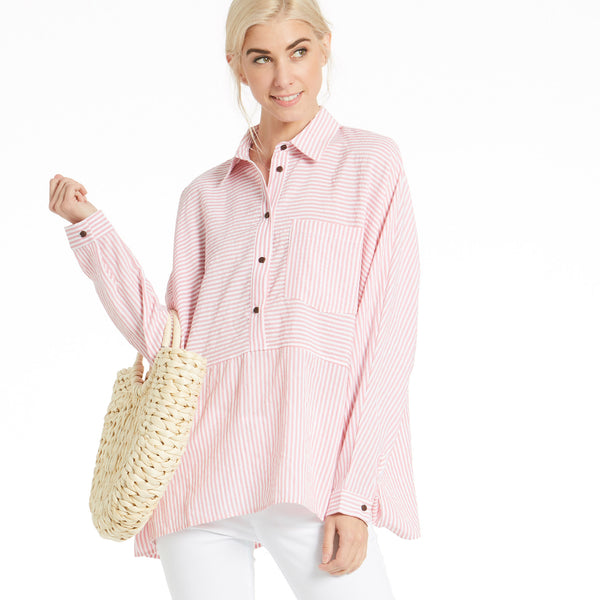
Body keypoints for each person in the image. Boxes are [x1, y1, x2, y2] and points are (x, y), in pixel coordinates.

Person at [48, 0, 421, 598]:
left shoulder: (370, 165)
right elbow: (169, 345)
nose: (284, 76)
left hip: (307, 472)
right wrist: (90, 228)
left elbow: (388, 339)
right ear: (237, 66)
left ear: (325, 47)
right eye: (261, 58)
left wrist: (353, 494)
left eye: (298, 51)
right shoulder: (206, 196)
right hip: (200, 480)